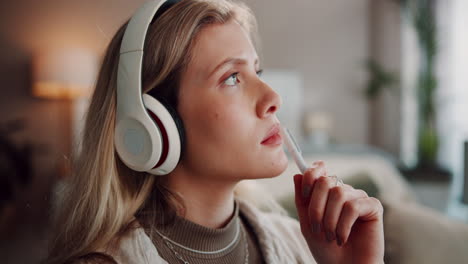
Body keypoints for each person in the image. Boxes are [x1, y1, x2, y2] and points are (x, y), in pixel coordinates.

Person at [45, 0, 384, 263]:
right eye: (232, 78)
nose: (273, 98)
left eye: (257, 70)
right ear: (155, 124)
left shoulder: (305, 246)